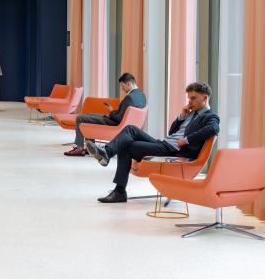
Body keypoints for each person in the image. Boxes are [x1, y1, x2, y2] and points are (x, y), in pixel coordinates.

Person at [86, 81, 219, 203]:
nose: (190, 101)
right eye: (189, 98)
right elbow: (172, 132)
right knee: (130, 129)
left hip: (173, 151)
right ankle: (107, 153)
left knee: (126, 146)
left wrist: (186, 140)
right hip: (164, 144)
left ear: (205, 98)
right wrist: (182, 117)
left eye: (193, 98)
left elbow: (213, 128)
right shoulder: (191, 113)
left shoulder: (210, 116)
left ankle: (119, 191)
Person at [64, 73, 147, 156]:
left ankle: (79, 148)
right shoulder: (141, 95)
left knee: (80, 118)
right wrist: (113, 111)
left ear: (128, 84)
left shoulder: (129, 97)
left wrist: (111, 111)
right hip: (122, 123)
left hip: (114, 123)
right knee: (88, 115)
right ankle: (90, 148)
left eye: (123, 86)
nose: (122, 89)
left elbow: (118, 118)